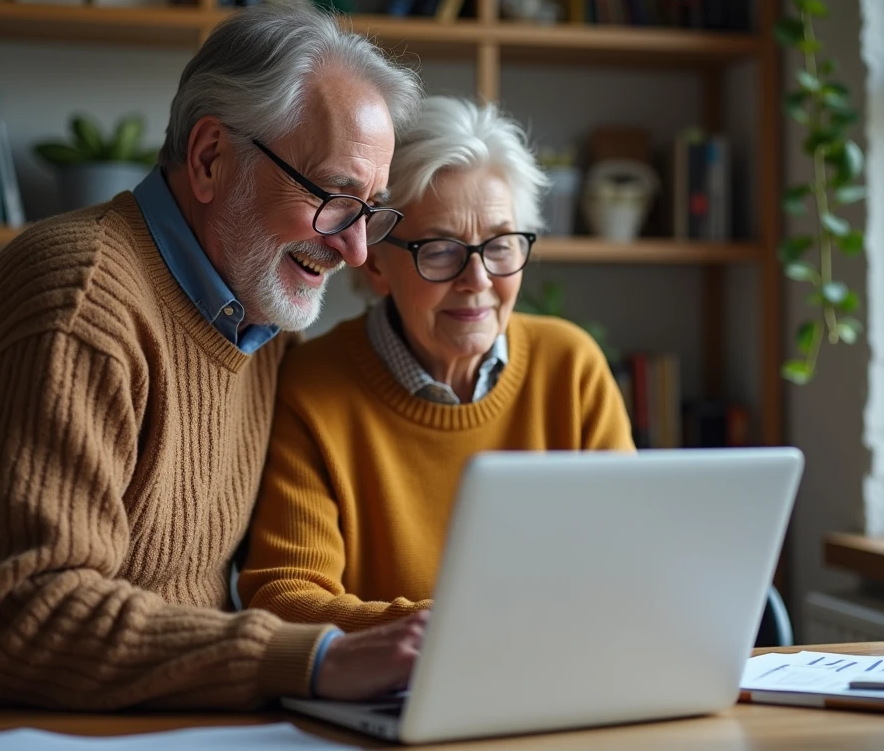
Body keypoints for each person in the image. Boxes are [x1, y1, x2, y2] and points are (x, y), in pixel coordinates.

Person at [0, 4, 431, 709]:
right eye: (333, 196)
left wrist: (432, 633)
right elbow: (24, 618)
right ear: (210, 158)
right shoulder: (82, 303)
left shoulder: (263, 324)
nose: (354, 249)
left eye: (369, 211)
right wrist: (311, 660)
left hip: (154, 723)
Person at [237, 96, 636, 633]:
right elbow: (285, 596)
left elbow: (629, 564)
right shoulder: (313, 388)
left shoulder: (572, 368)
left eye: (499, 246)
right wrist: (453, 633)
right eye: (442, 250)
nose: (478, 280)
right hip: (394, 694)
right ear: (375, 262)